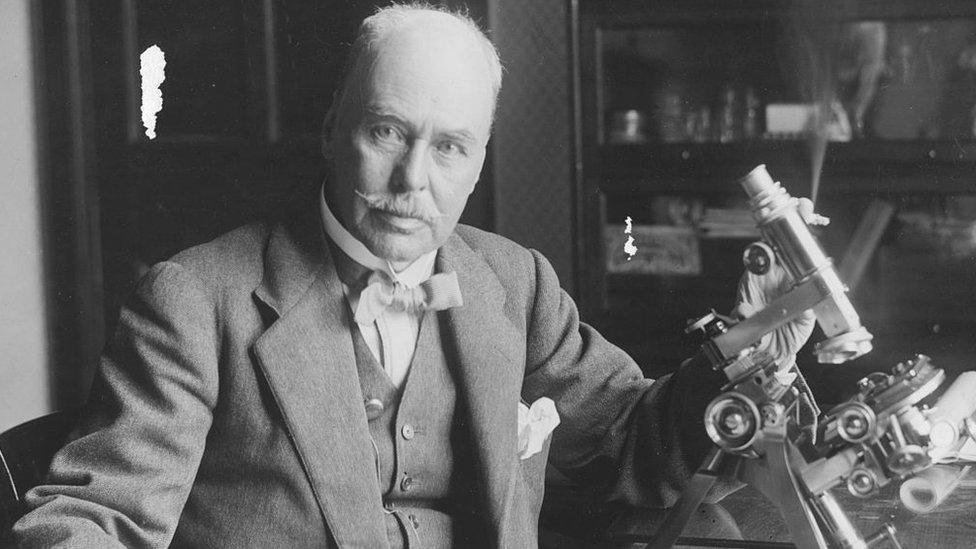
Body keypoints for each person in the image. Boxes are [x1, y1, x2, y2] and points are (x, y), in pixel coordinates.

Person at [14, 4, 812, 548]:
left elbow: (635, 445)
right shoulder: (196, 300)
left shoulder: (514, 281)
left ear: (477, 164)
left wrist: (751, 339)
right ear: (333, 130)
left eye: (449, 147)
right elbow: (94, 519)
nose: (411, 180)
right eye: (387, 131)